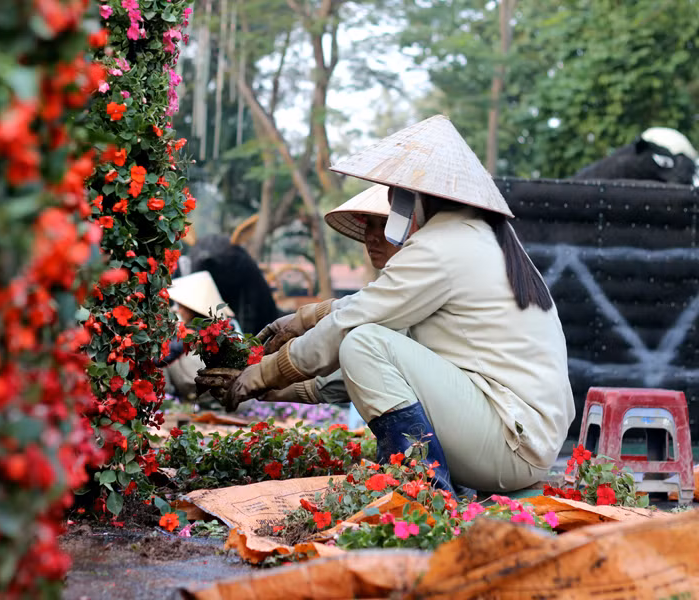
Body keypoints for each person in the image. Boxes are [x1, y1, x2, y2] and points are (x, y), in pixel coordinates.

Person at [198, 115, 574, 494]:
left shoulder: (443, 246)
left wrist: (261, 375)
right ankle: (419, 478)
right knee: (368, 342)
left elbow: (355, 328)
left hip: (511, 442)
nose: (389, 208)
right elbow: (381, 343)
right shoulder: (472, 235)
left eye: (395, 197)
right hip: (521, 438)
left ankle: (423, 485)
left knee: (364, 342)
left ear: (417, 197)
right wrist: (289, 358)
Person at [260, 184, 405, 407]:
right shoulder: (392, 282)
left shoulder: (418, 281)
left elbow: (364, 354)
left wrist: (268, 375)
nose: (372, 238)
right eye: (370, 225)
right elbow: (359, 306)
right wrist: (306, 317)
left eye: (385, 225)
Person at [161, 271, 237, 401]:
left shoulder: (197, 331)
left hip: (216, 396)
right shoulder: (212, 326)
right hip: (226, 395)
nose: (178, 310)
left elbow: (167, 355)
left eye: (181, 307)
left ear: (191, 309)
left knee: (162, 355)